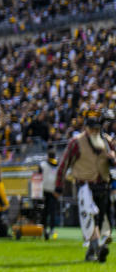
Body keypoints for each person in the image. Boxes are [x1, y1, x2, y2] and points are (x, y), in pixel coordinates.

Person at [55, 112, 115, 262]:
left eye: (97, 129)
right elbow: (64, 164)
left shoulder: (107, 141)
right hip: (84, 186)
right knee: (90, 217)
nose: (95, 132)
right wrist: (58, 186)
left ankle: (91, 252)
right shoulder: (76, 142)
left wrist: (113, 158)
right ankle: (98, 249)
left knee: (101, 220)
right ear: (86, 128)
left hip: (103, 185)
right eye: (92, 129)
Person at [36, 149, 59, 240]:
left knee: (44, 211)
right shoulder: (57, 166)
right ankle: (51, 229)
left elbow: (38, 178)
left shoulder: (42, 165)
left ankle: (44, 228)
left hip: (44, 191)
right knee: (51, 211)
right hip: (52, 191)